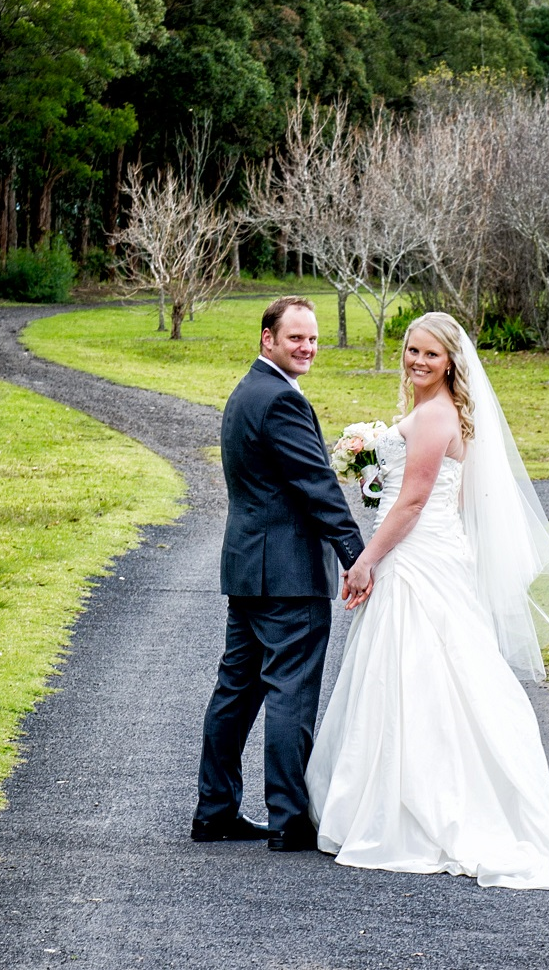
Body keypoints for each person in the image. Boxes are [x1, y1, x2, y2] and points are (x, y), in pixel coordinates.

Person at [306, 310, 549, 890]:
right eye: (412, 350)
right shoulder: (443, 412)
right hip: (428, 550)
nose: (417, 361)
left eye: (430, 354)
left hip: (418, 557)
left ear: (450, 362)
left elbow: (414, 503)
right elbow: (435, 497)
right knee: (419, 673)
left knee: (419, 672)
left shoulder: (436, 415)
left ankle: (419, 808)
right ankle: (398, 796)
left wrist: (365, 561)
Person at [193, 296, 368, 852]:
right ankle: (289, 819)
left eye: (312, 338)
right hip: (288, 575)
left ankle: (215, 811)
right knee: (291, 692)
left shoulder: (247, 391)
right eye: (296, 337)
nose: (307, 347)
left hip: (249, 569)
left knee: (236, 691)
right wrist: (355, 554)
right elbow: (317, 485)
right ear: (267, 338)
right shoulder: (281, 400)